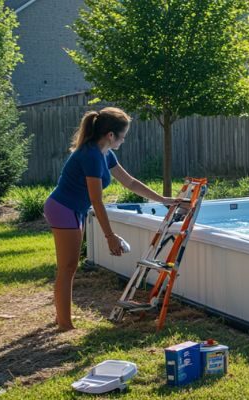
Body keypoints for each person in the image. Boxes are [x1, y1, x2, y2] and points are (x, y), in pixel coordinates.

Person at [44, 107, 176, 331]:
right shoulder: (91, 156)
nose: (123, 141)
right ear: (110, 135)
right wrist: (110, 236)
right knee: (67, 267)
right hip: (63, 208)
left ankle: (62, 319)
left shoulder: (106, 153)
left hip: (74, 209)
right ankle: (65, 325)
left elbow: (130, 182)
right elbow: (96, 201)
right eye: (123, 136)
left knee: (69, 266)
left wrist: (163, 199)